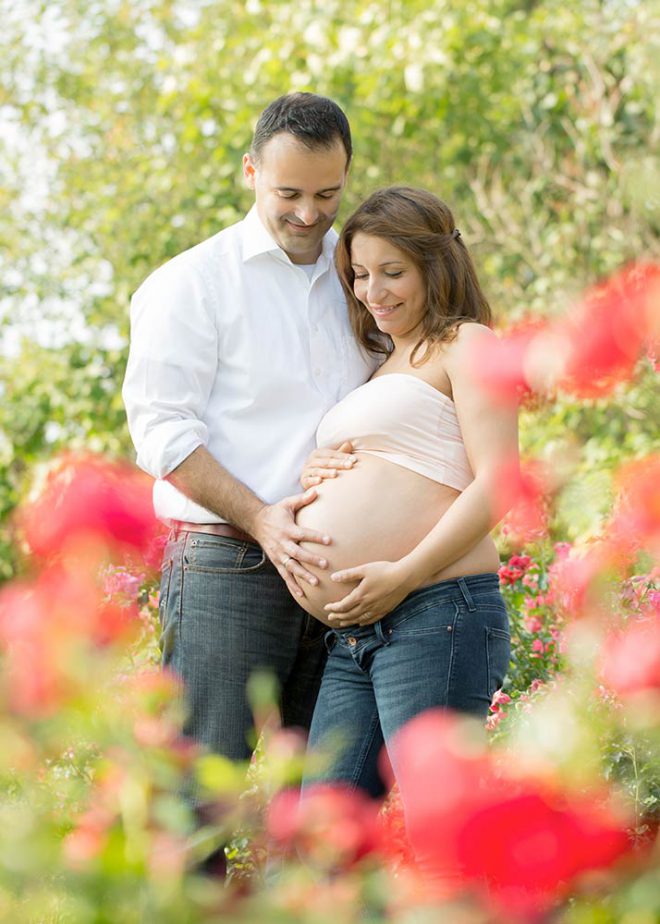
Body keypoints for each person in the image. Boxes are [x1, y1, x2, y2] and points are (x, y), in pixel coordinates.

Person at [122, 93, 376, 770]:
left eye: (328, 193)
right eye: (289, 191)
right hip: (227, 566)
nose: (309, 213)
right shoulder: (191, 284)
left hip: (340, 575)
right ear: (250, 171)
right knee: (203, 786)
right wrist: (262, 518)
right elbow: (161, 433)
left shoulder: (361, 279)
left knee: (326, 797)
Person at [293, 186, 518, 799]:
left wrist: (405, 574)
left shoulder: (467, 344)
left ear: (435, 265)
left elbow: (500, 481)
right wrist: (318, 467)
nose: (373, 292)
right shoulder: (377, 367)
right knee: (324, 842)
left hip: (435, 611)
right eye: (360, 275)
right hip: (357, 631)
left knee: (438, 829)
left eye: (393, 272)